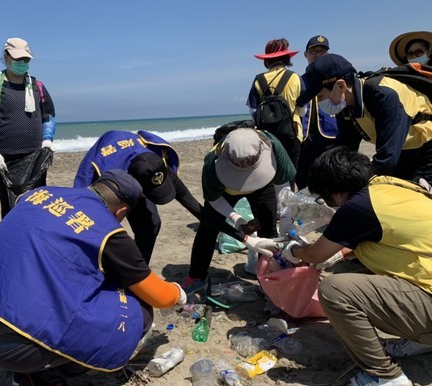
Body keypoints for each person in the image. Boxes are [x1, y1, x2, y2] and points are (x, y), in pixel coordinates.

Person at [0, 169, 187, 386]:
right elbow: (160, 297)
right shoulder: (109, 232)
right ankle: (42, 385)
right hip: (10, 345)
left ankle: (31, 366)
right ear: (121, 212)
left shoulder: (38, 195)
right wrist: (178, 293)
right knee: (139, 311)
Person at [281, 147, 432, 386]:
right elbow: (391, 241)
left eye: (326, 198)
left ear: (334, 191)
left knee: (335, 290)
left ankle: (385, 375)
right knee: (349, 267)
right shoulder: (393, 186)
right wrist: (340, 253)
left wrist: (292, 251)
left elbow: (314, 255)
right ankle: (422, 340)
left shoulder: (358, 207)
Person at [74, 130, 256, 264]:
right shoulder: (100, 173)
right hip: (109, 179)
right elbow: (81, 212)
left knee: (152, 224)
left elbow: (199, 211)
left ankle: (137, 270)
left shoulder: (158, 162)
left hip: (138, 170)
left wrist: (245, 238)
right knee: (102, 231)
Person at [297, 53, 432, 193]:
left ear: (340, 86)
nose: (319, 101)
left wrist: (350, 187)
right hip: (405, 150)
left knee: (418, 200)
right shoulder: (346, 107)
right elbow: (346, 150)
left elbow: (386, 159)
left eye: (320, 96)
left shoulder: (382, 94)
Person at [182, 127, 296, 293]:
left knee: (268, 229)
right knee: (208, 228)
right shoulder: (212, 163)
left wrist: (286, 218)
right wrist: (235, 218)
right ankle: (197, 276)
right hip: (226, 191)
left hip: (263, 186)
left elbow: (283, 189)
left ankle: (269, 279)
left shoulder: (273, 146)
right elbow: (214, 198)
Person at [0, 37, 56, 218]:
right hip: (6, 159)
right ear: (6, 57)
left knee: (38, 205)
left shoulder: (37, 86)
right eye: (18, 59)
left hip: (36, 156)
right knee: (11, 209)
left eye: (25, 60)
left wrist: (47, 141)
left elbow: (49, 116)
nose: (22, 63)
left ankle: (35, 243)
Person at [247, 38, 304, 170]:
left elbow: (253, 111)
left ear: (266, 60)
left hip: (266, 136)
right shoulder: (295, 77)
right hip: (292, 133)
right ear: (287, 58)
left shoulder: (258, 79)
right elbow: (302, 110)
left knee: (270, 173)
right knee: (290, 174)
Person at [296, 35, 338, 190]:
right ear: (306, 54)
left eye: (321, 51)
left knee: (332, 181)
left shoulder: (337, 79)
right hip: (305, 139)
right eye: (313, 51)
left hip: (331, 136)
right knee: (304, 182)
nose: (317, 55)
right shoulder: (298, 81)